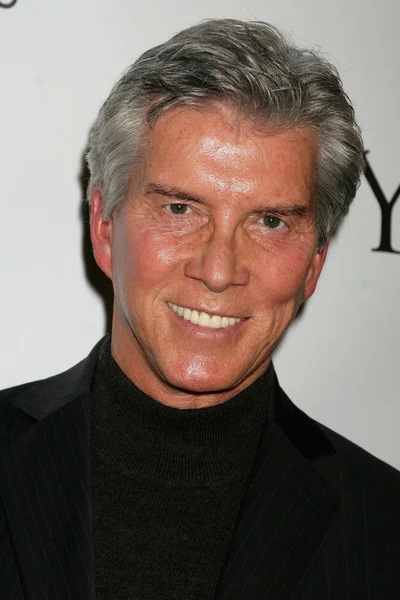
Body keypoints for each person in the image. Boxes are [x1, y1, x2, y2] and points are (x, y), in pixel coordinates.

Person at [0, 18, 399, 600]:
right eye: (181, 209)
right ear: (105, 226)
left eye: (270, 222)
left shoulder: (386, 526)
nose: (217, 270)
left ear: (314, 262)